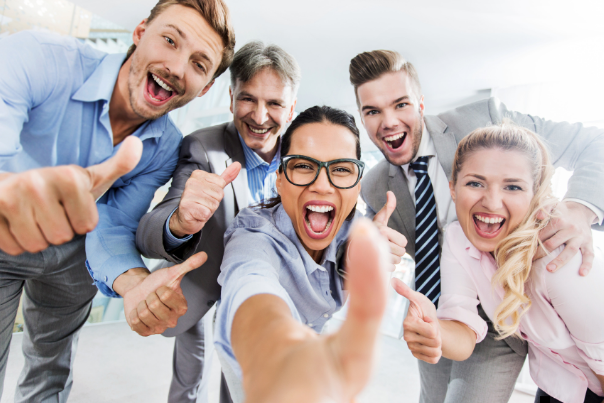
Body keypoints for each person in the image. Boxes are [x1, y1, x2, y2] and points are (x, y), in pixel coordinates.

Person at [0, 0, 235, 400]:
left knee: (49, 376)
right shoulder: (37, 59)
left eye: (199, 64)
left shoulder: (165, 148)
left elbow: (113, 223)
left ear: (207, 87)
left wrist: (134, 283)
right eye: (169, 40)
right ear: (140, 33)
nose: (177, 68)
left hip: (75, 260)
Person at [349, 49, 604, 402]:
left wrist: (580, 208)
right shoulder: (374, 185)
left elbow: (593, 143)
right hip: (441, 310)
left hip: (506, 320)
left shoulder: (482, 120)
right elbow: (363, 254)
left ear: (421, 103)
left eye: (401, 104)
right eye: (372, 111)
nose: (388, 121)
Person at [136, 41, 300, 402]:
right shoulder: (203, 148)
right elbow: (153, 227)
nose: (259, 116)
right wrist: (179, 220)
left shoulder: (305, 157)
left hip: (262, 292)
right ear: (230, 99)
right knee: (189, 378)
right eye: (248, 99)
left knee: (242, 383)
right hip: (203, 282)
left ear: (291, 108)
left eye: (274, 103)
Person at [394, 123, 604, 403]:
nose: (492, 203)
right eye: (475, 183)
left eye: (513, 187)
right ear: (453, 189)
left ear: (535, 193)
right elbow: (464, 329)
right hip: (563, 385)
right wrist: (436, 330)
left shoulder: (560, 261)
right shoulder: (459, 239)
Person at [213, 105, 407, 403]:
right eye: (303, 165)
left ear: (357, 185)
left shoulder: (358, 230)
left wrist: (354, 268)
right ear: (280, 178)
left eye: (342, 170)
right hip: (254, 355)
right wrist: (279, 354)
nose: (321, 185)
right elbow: (249, 280)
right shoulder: (254, 234)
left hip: (316, 336)